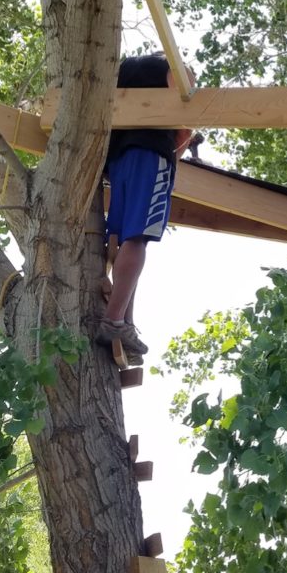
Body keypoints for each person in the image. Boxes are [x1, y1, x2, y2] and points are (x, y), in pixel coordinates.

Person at [98, 53, 194, 364]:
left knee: (124, 240)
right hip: (152, 154)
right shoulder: (172, 69)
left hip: (118, 163)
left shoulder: (123, 69)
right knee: (139, 238)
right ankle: (114, 322)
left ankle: (124, 321)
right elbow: (185, 114)